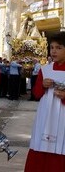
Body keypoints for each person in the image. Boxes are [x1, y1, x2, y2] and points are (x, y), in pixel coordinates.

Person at [24, 31, 65, 172]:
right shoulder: (45, 69)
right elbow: (36, 93)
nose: (54, 51)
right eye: (52, 47)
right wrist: (42, 85)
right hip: (46, 114)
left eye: (59, 47)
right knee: (41, 144)